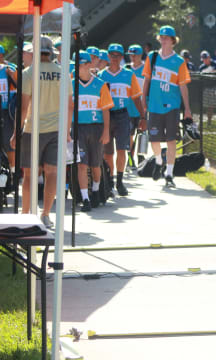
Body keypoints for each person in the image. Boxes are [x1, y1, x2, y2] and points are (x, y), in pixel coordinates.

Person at [10, 36, 73, 228]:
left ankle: (26, 213)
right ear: (51, 52)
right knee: (52, 173)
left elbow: (23, 107)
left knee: (29, 174)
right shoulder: (63, 73)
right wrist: (67, 130)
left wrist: (16, 132)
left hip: (32, 129)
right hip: (55, 129)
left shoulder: (29, 73)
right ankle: (46, 214)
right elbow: (70, 105)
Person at [142, 25, 193, 188]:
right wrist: (143, 99)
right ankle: (158, 161)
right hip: (154, 105)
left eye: (167, 37)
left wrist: (187, 108)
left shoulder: (178, 61)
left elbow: (183, 86)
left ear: (173, 40)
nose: (163, 40)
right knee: (154, 140)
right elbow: (147, 80)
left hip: (172, 106)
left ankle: (169, 173)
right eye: (161, 37)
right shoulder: (152, 57)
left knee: (171, 140)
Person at [99, 43, 144, 196]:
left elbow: (136, 97)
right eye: (112, 55)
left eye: (118, 55)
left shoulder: (128, 75)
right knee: (108, 152)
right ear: (108, 56)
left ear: (121, 57)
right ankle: (110, 181)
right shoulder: (101, 75)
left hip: (123, 115)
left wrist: (142, 116)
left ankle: (119, 180)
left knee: (122, 149)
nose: (115, 58)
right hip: (107, 116)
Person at [73, 51, 113, 211]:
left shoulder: (100, 85)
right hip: (78, 128)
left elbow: (106, 110)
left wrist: (106, 131)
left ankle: (96, 190)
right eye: (78, 65)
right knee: (81, 164)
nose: (80, 68)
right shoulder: (70, 84)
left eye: (83, 64)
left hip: (96, 128)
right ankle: (85, 198)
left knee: (95, 165)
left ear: (89, 65)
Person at [125, 44, 147, 168]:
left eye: (135, 55)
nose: (132, 58)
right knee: (129, 134)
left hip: (141, 107)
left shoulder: (145, 69)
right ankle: (130, 157)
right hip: (128, 107)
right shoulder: (126, 69)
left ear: (140, 55)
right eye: (131, 55)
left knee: (142, 133)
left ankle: (141, 156)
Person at [0, 55, 17, 177]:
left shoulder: (9, 69)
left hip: (6, 113)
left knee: (9, 144)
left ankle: (13, 173)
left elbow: (21, 87)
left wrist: (12, 75)